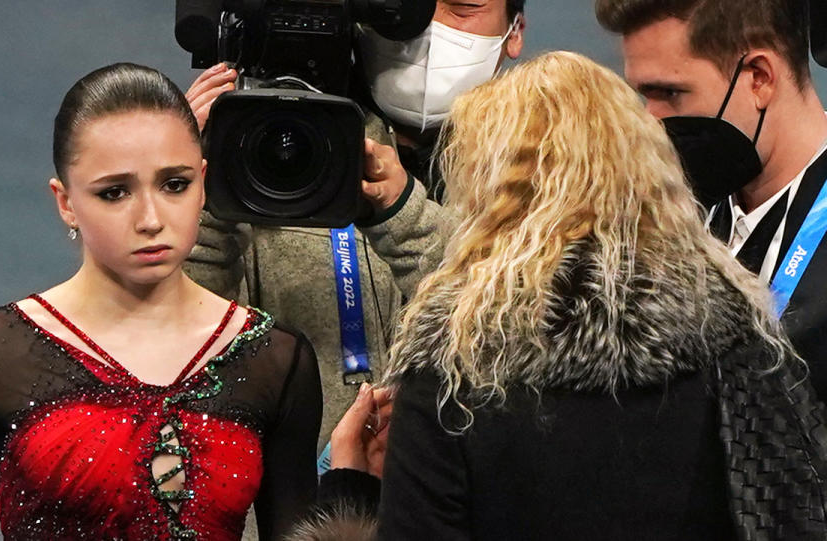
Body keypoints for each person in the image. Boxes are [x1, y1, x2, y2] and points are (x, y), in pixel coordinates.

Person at [296, 51, 827, 540]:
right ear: (648, 169)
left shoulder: (453, 371)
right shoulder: (737, 339)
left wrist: (351, 493)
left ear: (490, 192)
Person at [0, 63, 323, 541]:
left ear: (203, 181)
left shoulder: (274, 357)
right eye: (114, 192)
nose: (151, 218)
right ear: (65, 202)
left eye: (174, 184)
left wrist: (355, 484)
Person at [184, 0, 526, 454]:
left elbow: (520, 346)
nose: (431, 31)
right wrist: (185, 179)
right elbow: (175, 345)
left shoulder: (550, 170)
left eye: (462, 11)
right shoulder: (262, 139)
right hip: (295, 508)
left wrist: (404, 214)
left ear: (514, 31)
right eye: (412, 8)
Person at [595, 0, 827, 398]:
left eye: (669, 93)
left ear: (759, 78)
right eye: (643, 96)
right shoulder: (666, 226)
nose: (650, 121)